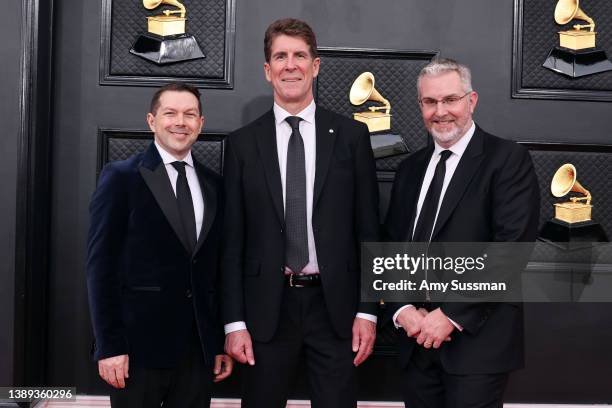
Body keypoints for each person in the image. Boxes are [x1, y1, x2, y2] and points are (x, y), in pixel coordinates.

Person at [221, 18, 379, 408]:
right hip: (265, 312)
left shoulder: (351, 136)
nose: (290, 65)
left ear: (315, 65)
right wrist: (234, 322)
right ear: (267, 69)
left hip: (336, 309)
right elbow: (232, 240)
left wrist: (368, 312)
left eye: (299, 55)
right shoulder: (241, 144)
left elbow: (369, 230)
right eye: (280, 56)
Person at [384, 58, 540, 407]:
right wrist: (401, 309)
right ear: (421, 105)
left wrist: (452, 314)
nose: (441, 111)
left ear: (471, 101)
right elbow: (391, 247)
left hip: (477, 345)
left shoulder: (507, 159)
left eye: (450, 99)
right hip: (415, 343)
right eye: (430, 102)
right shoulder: (409, 169)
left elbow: (510, 249)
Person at [87, 82, 233, 407]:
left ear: (201, 123)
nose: (180, 122)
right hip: (136, 353)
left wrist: (217, 342)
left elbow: (217, 270)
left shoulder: (215, 186)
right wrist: (109, 346)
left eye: (190, 114)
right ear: (152, 120)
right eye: (171, 113)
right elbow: (101, 269)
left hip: (197, 354)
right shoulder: (121, 178)